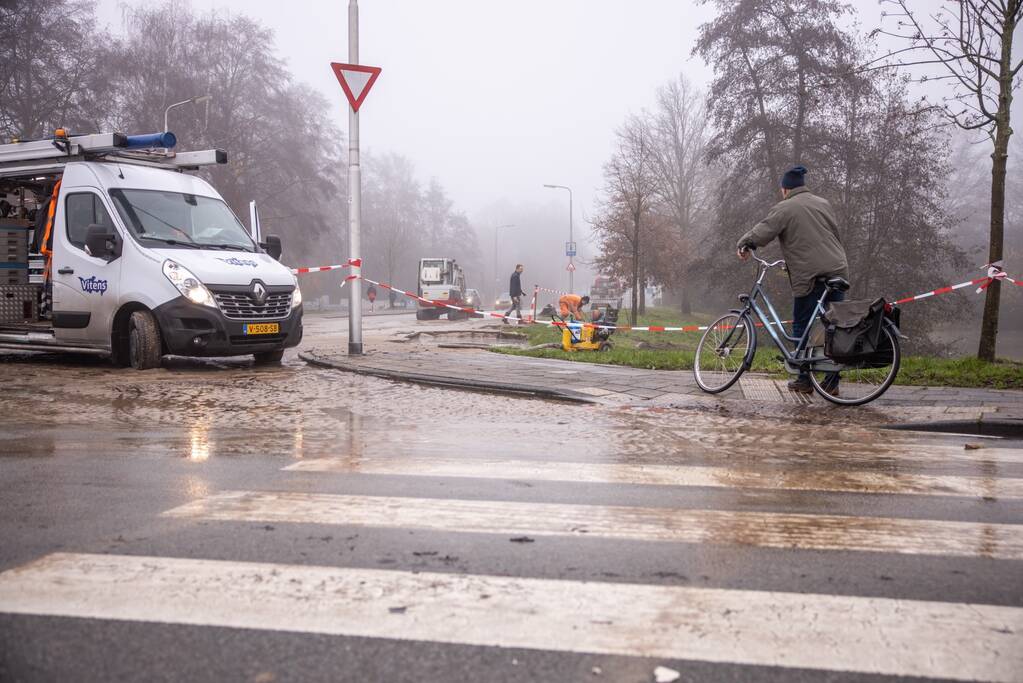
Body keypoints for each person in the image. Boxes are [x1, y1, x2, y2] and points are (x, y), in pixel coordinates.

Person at [736, 165, 849, 394]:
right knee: (833, 326)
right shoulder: (823, 203)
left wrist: (745, 243)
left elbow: (765, 230)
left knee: (801, 324)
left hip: (811, 274)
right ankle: (831, 382)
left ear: (785, 189)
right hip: (838, 269)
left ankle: (804, 380)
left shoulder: (786, 207)